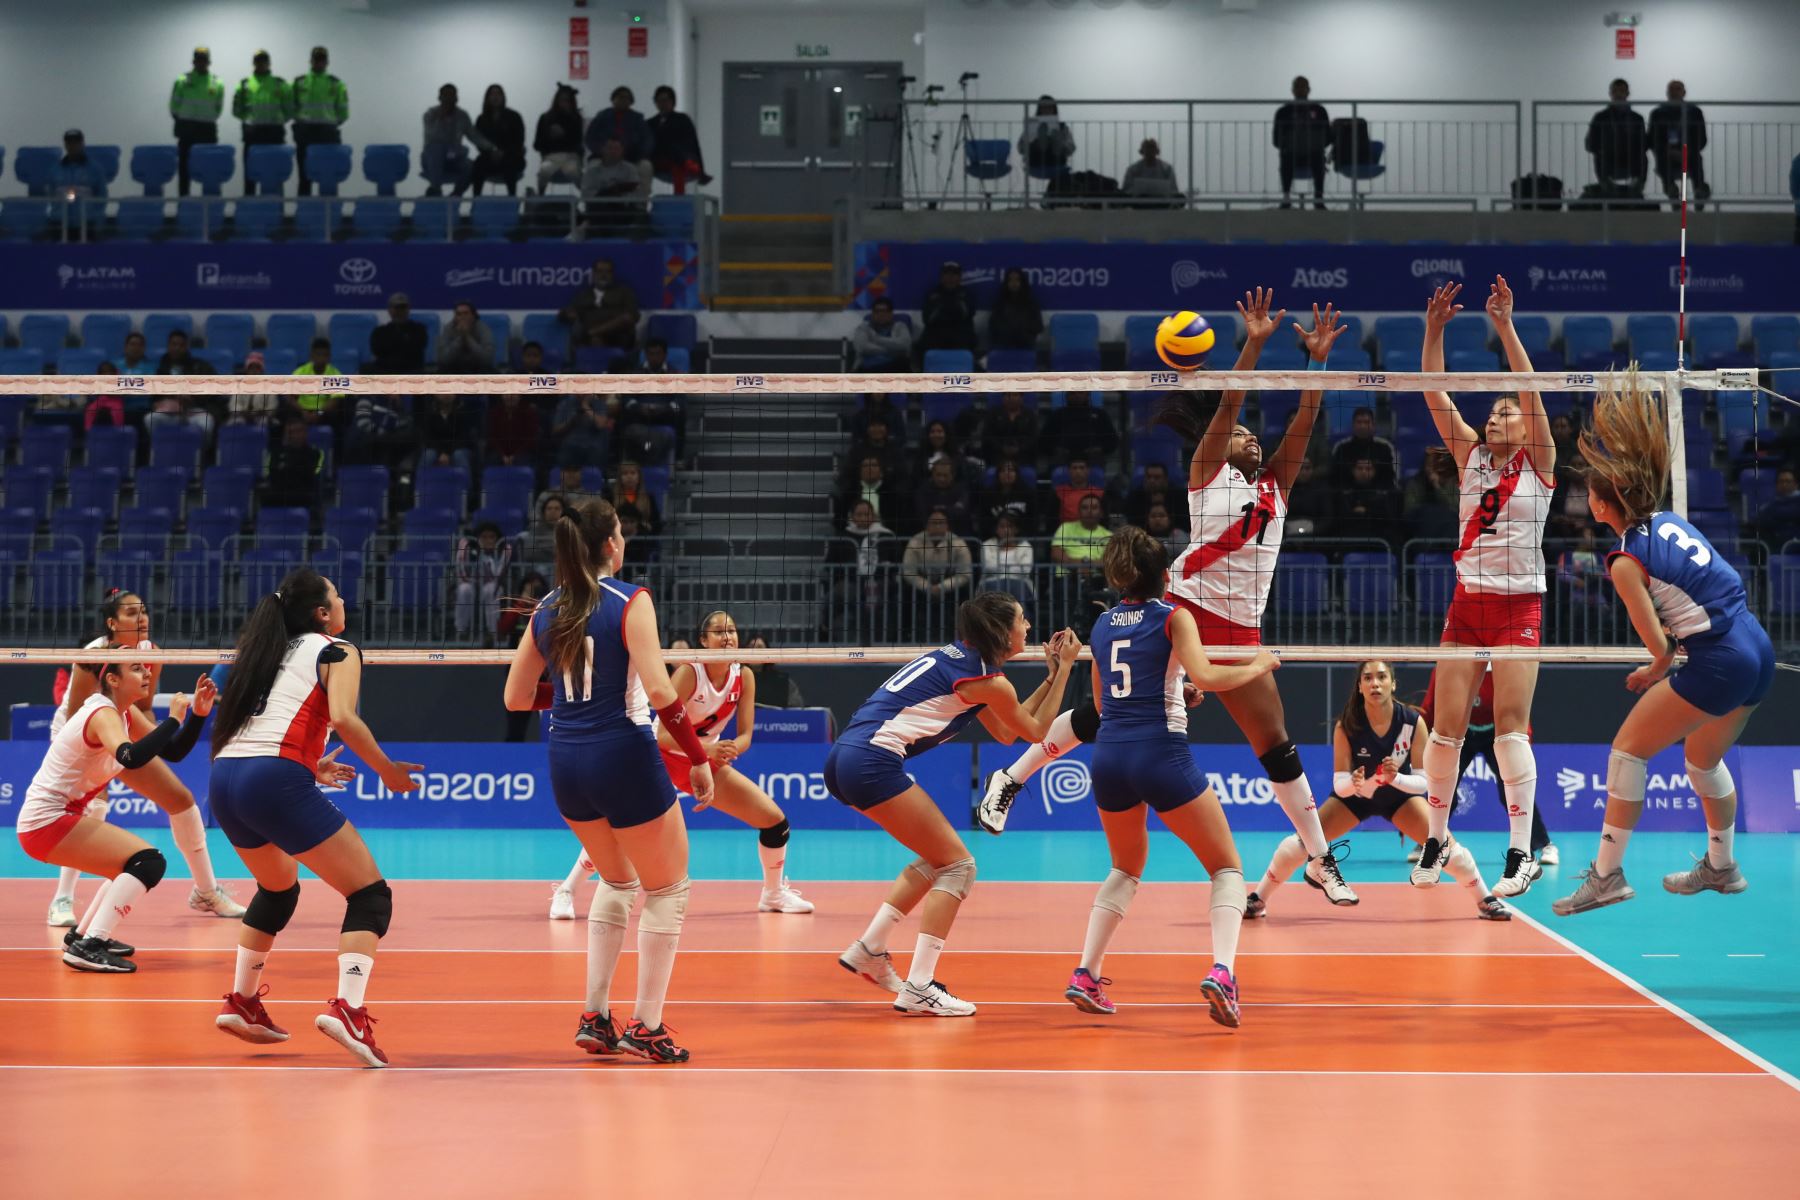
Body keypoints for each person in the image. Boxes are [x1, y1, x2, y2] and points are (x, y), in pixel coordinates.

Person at [979, 291, 1359, 910]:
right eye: (1240, 434)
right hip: (1178, 610)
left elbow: (1303, 423)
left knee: (1276, 744)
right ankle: (1010, 779)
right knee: (1113, 715)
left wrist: (1316, 365)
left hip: (1240, 629)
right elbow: (1231, 401)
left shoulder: (1276, 490)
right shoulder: (1206, 473)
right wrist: (1257, 343)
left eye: (1252, 438)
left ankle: (1319, 859)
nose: (1250, 439)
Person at [1552, 381, 1773, 915]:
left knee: (1627, 752)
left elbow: (1653, 634)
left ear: (1604, 504)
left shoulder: (1625, 559)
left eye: (1590, 497)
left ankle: (1606, 876)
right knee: (1701, 758)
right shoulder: (1670, 521)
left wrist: (1655, 666)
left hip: (1719, 658)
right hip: (1757, 646)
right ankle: (1722, 866)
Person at [503, 500, 707, 1062]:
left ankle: (596, 1016)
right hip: (621, 755)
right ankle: (647, 1026)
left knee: (617, 882)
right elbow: (662, 692)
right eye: (620, 532)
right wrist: (698, 757)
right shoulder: (628, 599)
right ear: (612, 545)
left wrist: (573, 697)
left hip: (566, 762)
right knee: (668, 888)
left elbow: (515, 698)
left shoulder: (547, 606)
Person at [1064, 528, 1280, 1021]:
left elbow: (1103, 704)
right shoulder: (1175, 617)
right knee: (1227, 867)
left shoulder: (1101, 625)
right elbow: (1207, 675)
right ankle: (1223, 972)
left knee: (1124, 867)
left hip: (1110, 758)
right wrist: (1258, 664)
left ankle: (1086, 974)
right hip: (1161, 753)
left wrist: (1174, 693)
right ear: (1166, 576)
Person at [209, 569, 421, 1066]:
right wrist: (387, 770)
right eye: (337, 596)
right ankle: (349, 1010)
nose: (345, 601)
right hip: (272, 779)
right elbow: (345, 717)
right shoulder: (337, 649)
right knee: (369, 895)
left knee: (278, 888)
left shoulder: (263, 653)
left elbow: (260, 724)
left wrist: (309, 764)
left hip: (225, 778)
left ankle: (242, 1001)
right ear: (323, 614)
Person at [832, 594, 1080, 1016]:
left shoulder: (965, 666)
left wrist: (1050, 676)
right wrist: (1068, 669)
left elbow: (1007, 733)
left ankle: (870, 949)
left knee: (937, 859)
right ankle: (919, 986)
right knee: (960, 866)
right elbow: (1038, 731)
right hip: (872, 761)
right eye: (1022, 620)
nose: (1028, 626)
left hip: (844, 758)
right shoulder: (988, 681)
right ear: (1002, 632)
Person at [1410, 277, 1554, 898]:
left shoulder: (1541, 463)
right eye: (1493, 410)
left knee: (1509, 731)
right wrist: (1433, 328)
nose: (1499, 414)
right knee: (1445, 732)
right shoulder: (1469, 454)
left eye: (1508, 411)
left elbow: (1530, 390)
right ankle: (1438, 836)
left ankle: (1521, 852)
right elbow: (1434, 391)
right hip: (1467, 605)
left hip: (1519, 604)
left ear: (1524, 428)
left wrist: (1504, 326)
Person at [552, 608, 810, 921]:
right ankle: (566, 889)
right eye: (718, 632)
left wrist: (728, 750)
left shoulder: (745, 675)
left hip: (703, 761)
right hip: (657, 757)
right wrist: (705, 752)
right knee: (619, 835)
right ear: (703, 641)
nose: (727, 637)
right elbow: (661, 733)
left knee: (774, 821)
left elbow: (744, 736)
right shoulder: (691, 672)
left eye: (731, 630)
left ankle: (772, 894)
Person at [41, 589, 244, 930]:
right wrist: (117, 744)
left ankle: (206, 892)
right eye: (132, 613)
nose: (143, 618)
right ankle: (62, 898)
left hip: (121, 725)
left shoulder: (151, 653)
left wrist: (163, 730)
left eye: (144, 611)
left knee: (181, 801)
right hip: (81, 732)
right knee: (94, 807)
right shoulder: (93, 655)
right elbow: (78, 714)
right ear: (112, 623)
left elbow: (143, 707)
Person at [1247, 661, 1510, 923]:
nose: (1375, 683)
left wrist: (1396, 779)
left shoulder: (1411, 721)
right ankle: (1258, 899)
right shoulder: (1347, 725)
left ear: (1392, 683)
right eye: (1368, 678)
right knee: (1301, 843)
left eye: (1382, 677)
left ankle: (1485, 900)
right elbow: (1340, 785)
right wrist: (1355, 783)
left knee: (1443, 846)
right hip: (1354, 798)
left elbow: (1424, 783)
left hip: (1400, 798)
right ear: (1360, 687)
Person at [18, 661, 211, 973]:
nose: (148, 672)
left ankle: (83, 936)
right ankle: (90, 945)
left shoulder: (123, 713)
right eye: (136, 668)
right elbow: (129, 757)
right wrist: (173, 718)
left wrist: (198, 715)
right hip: (47, 821)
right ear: (112, 679)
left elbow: (172, 751)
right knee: (148, 862)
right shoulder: (102, 713)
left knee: (128, 867)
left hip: (57, 818)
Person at [1420, 662, 1556, 866]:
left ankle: (1544, 844)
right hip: (1462, 730)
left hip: (1497, 732)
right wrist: (1422, 739)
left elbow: (1517, 711)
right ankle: (1429, 840)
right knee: (1446, 788)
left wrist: (1522, 743)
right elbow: (1430, 707)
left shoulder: (1506, 667)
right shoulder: (1450, 663)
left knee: (1510, 791)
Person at [902, 508, 975, 632]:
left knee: (966, 596)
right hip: (922, 584)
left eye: (941, 523)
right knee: (905, 594)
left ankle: (964, 635)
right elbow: (909, 572)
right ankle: (906, 634)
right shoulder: (915, 542)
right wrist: (927, 586)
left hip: (950, 584)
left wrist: (942, 586)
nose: (937, 526)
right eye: (933, 523)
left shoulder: (958, 543)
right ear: (927, 525)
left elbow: (965, 574)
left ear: (947, 526)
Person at [292, 46, 348, 198]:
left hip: (327, 133)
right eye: (316, 59)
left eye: (322, 59)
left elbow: (343, 111)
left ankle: (330, 218)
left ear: (327, 62)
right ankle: (304, 215)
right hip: (305, 132)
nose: (319, 62)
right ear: (310, 61)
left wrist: (331, 123)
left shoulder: (336, 83)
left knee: (329, 176)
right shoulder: (299, 82)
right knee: (304, 177)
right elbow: (291, 107)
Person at [234, 50, 292, 196]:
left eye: (264, 61)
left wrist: (278, 120)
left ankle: (277, 214)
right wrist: (249, 120)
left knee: (275, 174)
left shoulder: (280, 84)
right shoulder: (245, 84)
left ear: (269, 63)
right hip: (252, 134)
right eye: (258, 61)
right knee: (250, 176)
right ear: (254, 63)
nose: (261, 64)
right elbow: (236, 109)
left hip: (274, 134)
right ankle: (249, 213)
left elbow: (290, 109)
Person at [421, 83, 495, 198]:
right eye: (446, 96)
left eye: (452, 96)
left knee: (471, 167)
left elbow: (473, 135)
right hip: (432, 159)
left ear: (457, 98)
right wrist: (442, 119)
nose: (449, 99)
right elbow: (432, 136)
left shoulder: (462, 115)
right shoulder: (430, 114)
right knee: (436, 149)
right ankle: (436, 190)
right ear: (439, 98)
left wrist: (491, 148)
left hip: (453, 157)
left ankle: (456, 195)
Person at [170, 46, 224, 198]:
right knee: (184, 169)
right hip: (186, 128)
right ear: (193, 61)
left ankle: (211, 206)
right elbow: (174, 105)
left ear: (209, 62)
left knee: (210, 168)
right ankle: (184, 202)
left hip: (207, 129)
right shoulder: (182, 80)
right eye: (198, 59)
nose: (201, 63)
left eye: (204, 60)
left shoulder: (217, 82)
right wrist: (183, 118)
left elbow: (218, 108)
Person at [1648, 80, 1709, 208]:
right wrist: (1668, 151)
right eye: (1672, 89)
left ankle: (1699, 191)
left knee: (1696, 158)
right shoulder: (1657, 113)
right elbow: (1652, 139)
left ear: (1684, 92)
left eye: (1677, 89)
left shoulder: (1695, 112)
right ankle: (1671, 190)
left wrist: (1686, 152)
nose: (1674, 93)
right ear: (1667, 93)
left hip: (1689, 153)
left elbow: (1701, 139)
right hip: (1666, 153)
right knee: (1663, 159)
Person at [585, 85, 654, 195]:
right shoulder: (601, 116)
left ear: (631, 102)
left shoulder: (637, 118)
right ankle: (592, 205)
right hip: (603, 156)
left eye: (627, 98)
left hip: (631, 156)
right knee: (592, 166)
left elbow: (648, 141)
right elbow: (590, 139)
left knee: (646, 166)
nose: (623, 100)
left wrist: (637, 154)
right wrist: (604, 152)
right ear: (613, 99)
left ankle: (640, 206)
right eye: (620, 97)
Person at [559, 258, 639, 352]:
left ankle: (594, 334)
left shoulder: (624, 292)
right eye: (599, 271)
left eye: (607, 272)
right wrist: (567, 314)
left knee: (625, 319)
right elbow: (566, 313)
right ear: (593, 273)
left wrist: (596, 331)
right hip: (587, 338)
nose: (603, 275)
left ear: (612, 274)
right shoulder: (583, 295)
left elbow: (631, 317)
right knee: (587, 336)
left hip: (617, 336)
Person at [1273, 76, 1330, 209]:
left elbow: (1327, 136)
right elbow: (1276, 139)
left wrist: (1314, 144)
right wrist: (1289, 145)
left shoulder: (1319, 111)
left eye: (1303, 86)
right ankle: (1286, 197)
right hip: (1291, 154)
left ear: (1309, 89)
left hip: (1313, 154)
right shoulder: (1283, 112)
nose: (1300, 90)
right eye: (1297, 87)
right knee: (1286, 158)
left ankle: (1318, 198)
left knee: (1318, 159)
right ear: (1292, 90)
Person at [454, 521, 514, 642]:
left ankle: (492, 633)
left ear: (497, 539)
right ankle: (461, 631)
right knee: (464, 589)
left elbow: (499, 575)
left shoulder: (505, 549)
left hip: (495, 585)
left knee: (490, 590)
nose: (488, 540)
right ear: (477, 538)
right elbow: (462, 571)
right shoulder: (467, 545)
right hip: (470, 583)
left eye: (492, 537)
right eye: (484, 537)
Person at [1586, 78, 1647, 192]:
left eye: (1622, 91)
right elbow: (1590, 142)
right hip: (1608, 156)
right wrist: (1601, 148)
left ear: (1627, 93)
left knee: (1642, 157)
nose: (1618, 94)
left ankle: (1637, 187)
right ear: (1611, 93)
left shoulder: (1637, 118)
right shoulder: (1601, 117)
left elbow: (1643, 142)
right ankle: (1607, 186)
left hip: (1631, 156)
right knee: (1600, 157)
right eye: (1615, 91)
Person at [648, 85, 710, 193]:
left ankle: (679, 200)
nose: (662, 104)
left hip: (680, 158)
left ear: (672, 101)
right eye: (659, 101)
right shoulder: (650, 123)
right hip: (659, 159)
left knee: (677, 163)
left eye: (666, 100)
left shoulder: (682, 119)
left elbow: (693, 144)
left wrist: (701, 168)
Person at [471, 84, 526, 196]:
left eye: (498, 93)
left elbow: (519, 140)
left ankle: (512, 200)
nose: (495, 97)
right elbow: (478, 141)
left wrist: (503, 152)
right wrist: (491, 152)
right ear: (487, 98)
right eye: (492, 94)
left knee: (510, 164)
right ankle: (476, 202)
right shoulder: (481, 119)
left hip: (511, 156)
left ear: (503, 97)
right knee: (477, 165)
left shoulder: (514, 116)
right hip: (488, 157)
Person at [916, 262, 978, 359]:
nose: (950, 278)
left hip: (961, 335)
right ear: (941, 276)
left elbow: (968, 314)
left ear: (959, 277)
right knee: (920, 346)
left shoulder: (966, 294)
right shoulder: (932, 294)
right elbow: (927, 319)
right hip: (936, 335)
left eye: (954, 274)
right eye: (947, 274)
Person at [263, 416, 324, 510]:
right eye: (291, 432)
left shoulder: (315, 453)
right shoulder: (276, 452)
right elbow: (271, 474)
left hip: (303, 493)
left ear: (305, 433)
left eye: (299, 431)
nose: (295, 435)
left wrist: (287, 467)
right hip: (279, 493)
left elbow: (309, 474)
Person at [1329, 407, 1398, 489]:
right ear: (1353, 425)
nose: (1362, 426)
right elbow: (1333, 476)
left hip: (1379, 495)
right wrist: (1352, 473)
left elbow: (1392, 476)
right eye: (1359, 422)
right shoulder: (1340, 447)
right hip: (1347, 496)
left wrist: (1375, 472)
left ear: (1373, 425)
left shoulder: (1386, 447)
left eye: (1366, 422)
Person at [534, 84, 586, 192]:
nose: (564, 103)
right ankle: (540, 198)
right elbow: (537, 144)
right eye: (561, 100)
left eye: (567, 100)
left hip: (571, 157)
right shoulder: (545, 118)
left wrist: (564, 135)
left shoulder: (576, 119)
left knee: (573, 172)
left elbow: (578, 142)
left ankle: (586, 198)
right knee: (544, 171)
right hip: (550, 157)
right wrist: (550, 137)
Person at [977, 458, 1041, 538]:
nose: (1007, 473)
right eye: (1003, 471)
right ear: (998, 474)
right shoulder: (987, 495)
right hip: (994, 538)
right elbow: (983, 521)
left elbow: (1034, 520)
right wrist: (997, 533)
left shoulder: (1028, 493)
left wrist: (1017, 533)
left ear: (1016, 474)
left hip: (1021, 538)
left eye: (1011, 470)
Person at [980, 512, 1035, 602]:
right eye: (1002, 526)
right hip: (992, 582)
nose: (1006, 530)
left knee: (1016, 587)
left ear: (1016, 529)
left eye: (1010, 526)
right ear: (997, 529)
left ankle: (1020, 615)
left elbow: (1025, 570)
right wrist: (1012, 568)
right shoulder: (987, 545)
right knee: (996, 587)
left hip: (1019, 583)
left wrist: (1000, 568)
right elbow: (988, 567)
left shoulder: (1026, 545)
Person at [986, 268, 1044, 353]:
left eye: (1017, 280)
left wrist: (1022, 329)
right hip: (1004, 346)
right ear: (1006, 283)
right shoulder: (1000, 304)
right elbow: (993, 326)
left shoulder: (1031, 304)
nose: (1014, 283)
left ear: (1022, 282)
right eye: (1010, 280)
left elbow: (1038, 326)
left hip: (1025, 345)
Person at [368, 293, 428, 375]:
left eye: (403, 308)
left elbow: (415, 350)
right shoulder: (379, 332)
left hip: (411, 374)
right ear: (389, 310)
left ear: (408, 309)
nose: (399, 312)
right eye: (396, 308)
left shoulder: (419, 329)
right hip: (386, 374)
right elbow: (377, 351)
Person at [551, 392, 613, 470]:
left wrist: (585, 406)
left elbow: (600, 424)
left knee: (596, 452)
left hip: (592, 446)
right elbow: (555, 430)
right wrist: (571, 421)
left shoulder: (598, 403)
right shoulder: (565, 403)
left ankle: (593, 479)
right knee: (567, 452)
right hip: (570, 445)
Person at [417, 394, 476, 473]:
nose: (447, 394)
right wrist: (440, 453)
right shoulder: (429, 411)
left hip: (459, 447)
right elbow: (428, 437)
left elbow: (463, 437)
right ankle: (420, 484)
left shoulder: (464, 410)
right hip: (435, 448)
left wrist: (448, 453)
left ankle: (466, 484)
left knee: (459, 455)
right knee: (428, 455)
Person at [1019, 95, 1075, 176]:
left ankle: (1051, 140)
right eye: (1043, 107)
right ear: (1039, 109)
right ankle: (1042, 139)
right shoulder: (1032, 126)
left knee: (1056, 136)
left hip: (1056, 159)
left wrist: (1061, 143)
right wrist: (1031, 140)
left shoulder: (1063, 127)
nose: (1046, 110)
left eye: (1049, 107)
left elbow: (1071, 147)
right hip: (1036, 158)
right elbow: (1020, 147)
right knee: (1040, 139)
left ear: (1054, 109)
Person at [292, 337, 343, 425]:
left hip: (323, 412)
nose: (321, 359)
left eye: (325, 355)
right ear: (311, 356)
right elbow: (289, 397)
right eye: (318, 355)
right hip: (302, 410)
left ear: (329, 357)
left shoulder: (335, 374)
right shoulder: (301, 372)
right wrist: (303, 412)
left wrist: (319, 413)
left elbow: (335, 400)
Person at [851, 298, 913, 371]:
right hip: (868, 368)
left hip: (894, 366)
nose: (881, 314)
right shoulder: (864, 328)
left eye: (884, 311)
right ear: (872, 314)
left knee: (902, 363)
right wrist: (893, 350)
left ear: (891, 313)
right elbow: (862, 347)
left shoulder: (900, 326)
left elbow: (904, 345)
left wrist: (876, 339)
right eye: (877, 311)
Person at [436, 300, 495, 373]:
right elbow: (444, 359)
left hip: (478, 368)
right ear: (455, 317)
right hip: (454, 367)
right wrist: (460, 338)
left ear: (473, 315)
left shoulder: (483, 328)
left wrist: (467, 337)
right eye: (459, 314)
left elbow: (486, 360)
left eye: (466, 313)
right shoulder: (448, 328)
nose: (462, 317)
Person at [914, 459, 971, 533]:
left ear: (953, 475)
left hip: (957, 534)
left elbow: (960, 513)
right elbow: (922, 514)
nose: (941, 479)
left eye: (945, 475)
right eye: (938, 475)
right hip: (926, 534)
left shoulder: (961, 490)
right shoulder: (923, 491)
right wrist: (947, 509)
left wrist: (938, 509)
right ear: (932, 474)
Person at [486, 392, 540, 468]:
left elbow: (531, 439)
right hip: (499, 453)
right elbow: (492, 437)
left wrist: (514, 456)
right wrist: (503, 455)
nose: (510, 397)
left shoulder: (529, 413)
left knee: (522, 461)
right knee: (492, 460)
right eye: (507, 394)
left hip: (522, 452)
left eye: (514, 394)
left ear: (519, 396)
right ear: (502, 396)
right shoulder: (495, 413)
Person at [607, 460, 660, 534]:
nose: (629, 476)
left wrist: (645, 527)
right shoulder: (610, 497)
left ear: (639, 476)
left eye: (633, 473)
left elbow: (656, 524)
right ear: (620, 478)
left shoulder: (649, 498)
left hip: (642, 540)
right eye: (625, 473)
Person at [225, 353, 278, 428]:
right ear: (247, 370)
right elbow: (233, 405)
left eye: (257, 368)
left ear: (262, 370)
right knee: (235, 423)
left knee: (264, 422)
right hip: (241, 416)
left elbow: (272, 407)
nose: (254, 371)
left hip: (262, 416)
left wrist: (260, 412)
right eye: (251, 368)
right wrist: (243, 412)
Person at [54, 130, 108, 199]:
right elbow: (50, 194)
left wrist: (93, 210)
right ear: (65, 145)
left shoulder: (95, 170)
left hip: (86, 209)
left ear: (83, 144)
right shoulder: (55, 170)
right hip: (61, 209)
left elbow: (102, 196)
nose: (73, 146)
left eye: (76, 142)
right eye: (69, 143)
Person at [1754, 467, 1800, 547]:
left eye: (1788, 481)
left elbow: (1792, 513)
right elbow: (1761, 519)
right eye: (1781, 481)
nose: (1784, 484)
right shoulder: (1771, 502)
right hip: (1775, 541)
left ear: (1796, 484)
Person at [1122, 138, 1179, 202]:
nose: (1149, 151)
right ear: (1142, 151)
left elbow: (1173, 191)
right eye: (1147, 148)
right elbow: (1126, 191)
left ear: (1157, 151)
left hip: (1162, 204)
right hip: (1139, 204)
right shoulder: (1132, 170)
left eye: (1152, 148)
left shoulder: (1167, 169)